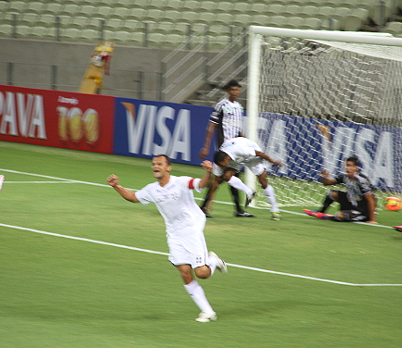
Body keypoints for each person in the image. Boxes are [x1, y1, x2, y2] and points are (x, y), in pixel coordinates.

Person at [107, 155, 227, 323]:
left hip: (191, 226)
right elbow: (134, 197)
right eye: (154, 164)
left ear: (168, 167)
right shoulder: (152, 189)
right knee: (185, 273)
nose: (155, 166)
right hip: (174, 232)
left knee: (201, 273)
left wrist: (209, 173)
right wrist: (116, 186)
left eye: (160, 164)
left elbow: (201, 184)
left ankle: (213, 261)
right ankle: (208, 312)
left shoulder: (181, 182)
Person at [199, 80, 253, 218]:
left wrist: (245, 142)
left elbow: (238, 128)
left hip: (236, 149)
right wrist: (206, 146)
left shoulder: (239, 107)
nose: (236, 92)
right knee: (221, 178)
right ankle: (204, 209)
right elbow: (212, 126)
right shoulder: (221, 105)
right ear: (228, 91)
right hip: (224, 150)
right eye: (233, 90)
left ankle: (238, 210)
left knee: (232, 177)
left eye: (237, 90)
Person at [212, 137, 283, 221]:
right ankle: (249, 192)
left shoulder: (240, 150)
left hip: (252, 157)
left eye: (222, 165)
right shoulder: (221, 157)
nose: (222, 167)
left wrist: (273, 161)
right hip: (237, 159)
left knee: (263, 183)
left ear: (226, 159)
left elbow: (259, 153)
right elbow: (216, 180)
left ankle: (275, 210)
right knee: (226, 176)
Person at [303, 156, 377, 224]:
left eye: (349, 165)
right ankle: (321, 212)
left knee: (340, 216)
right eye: (346, 165)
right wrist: (325, 178)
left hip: (362, 209)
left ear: (356, 168)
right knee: (331, 193)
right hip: (351, 202)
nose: (347, 168)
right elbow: (328, 183)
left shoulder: (362, 180)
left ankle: (330, 217)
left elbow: (371, 199)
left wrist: (372, 220)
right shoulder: (345, 177)